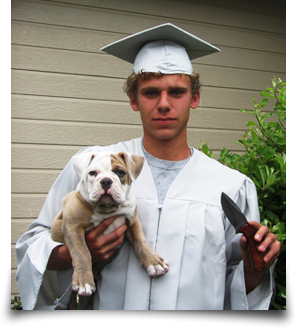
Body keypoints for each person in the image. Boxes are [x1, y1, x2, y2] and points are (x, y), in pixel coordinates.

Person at [15, 23, 281, 310]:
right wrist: (76, 253)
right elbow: (35, 245)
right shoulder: (94, 166)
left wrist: (256, 267)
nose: (164, 104)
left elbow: (239, 285)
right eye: (151, 92)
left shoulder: (230, 186)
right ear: (134, 100)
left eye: (177, 92)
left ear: (195, 98)